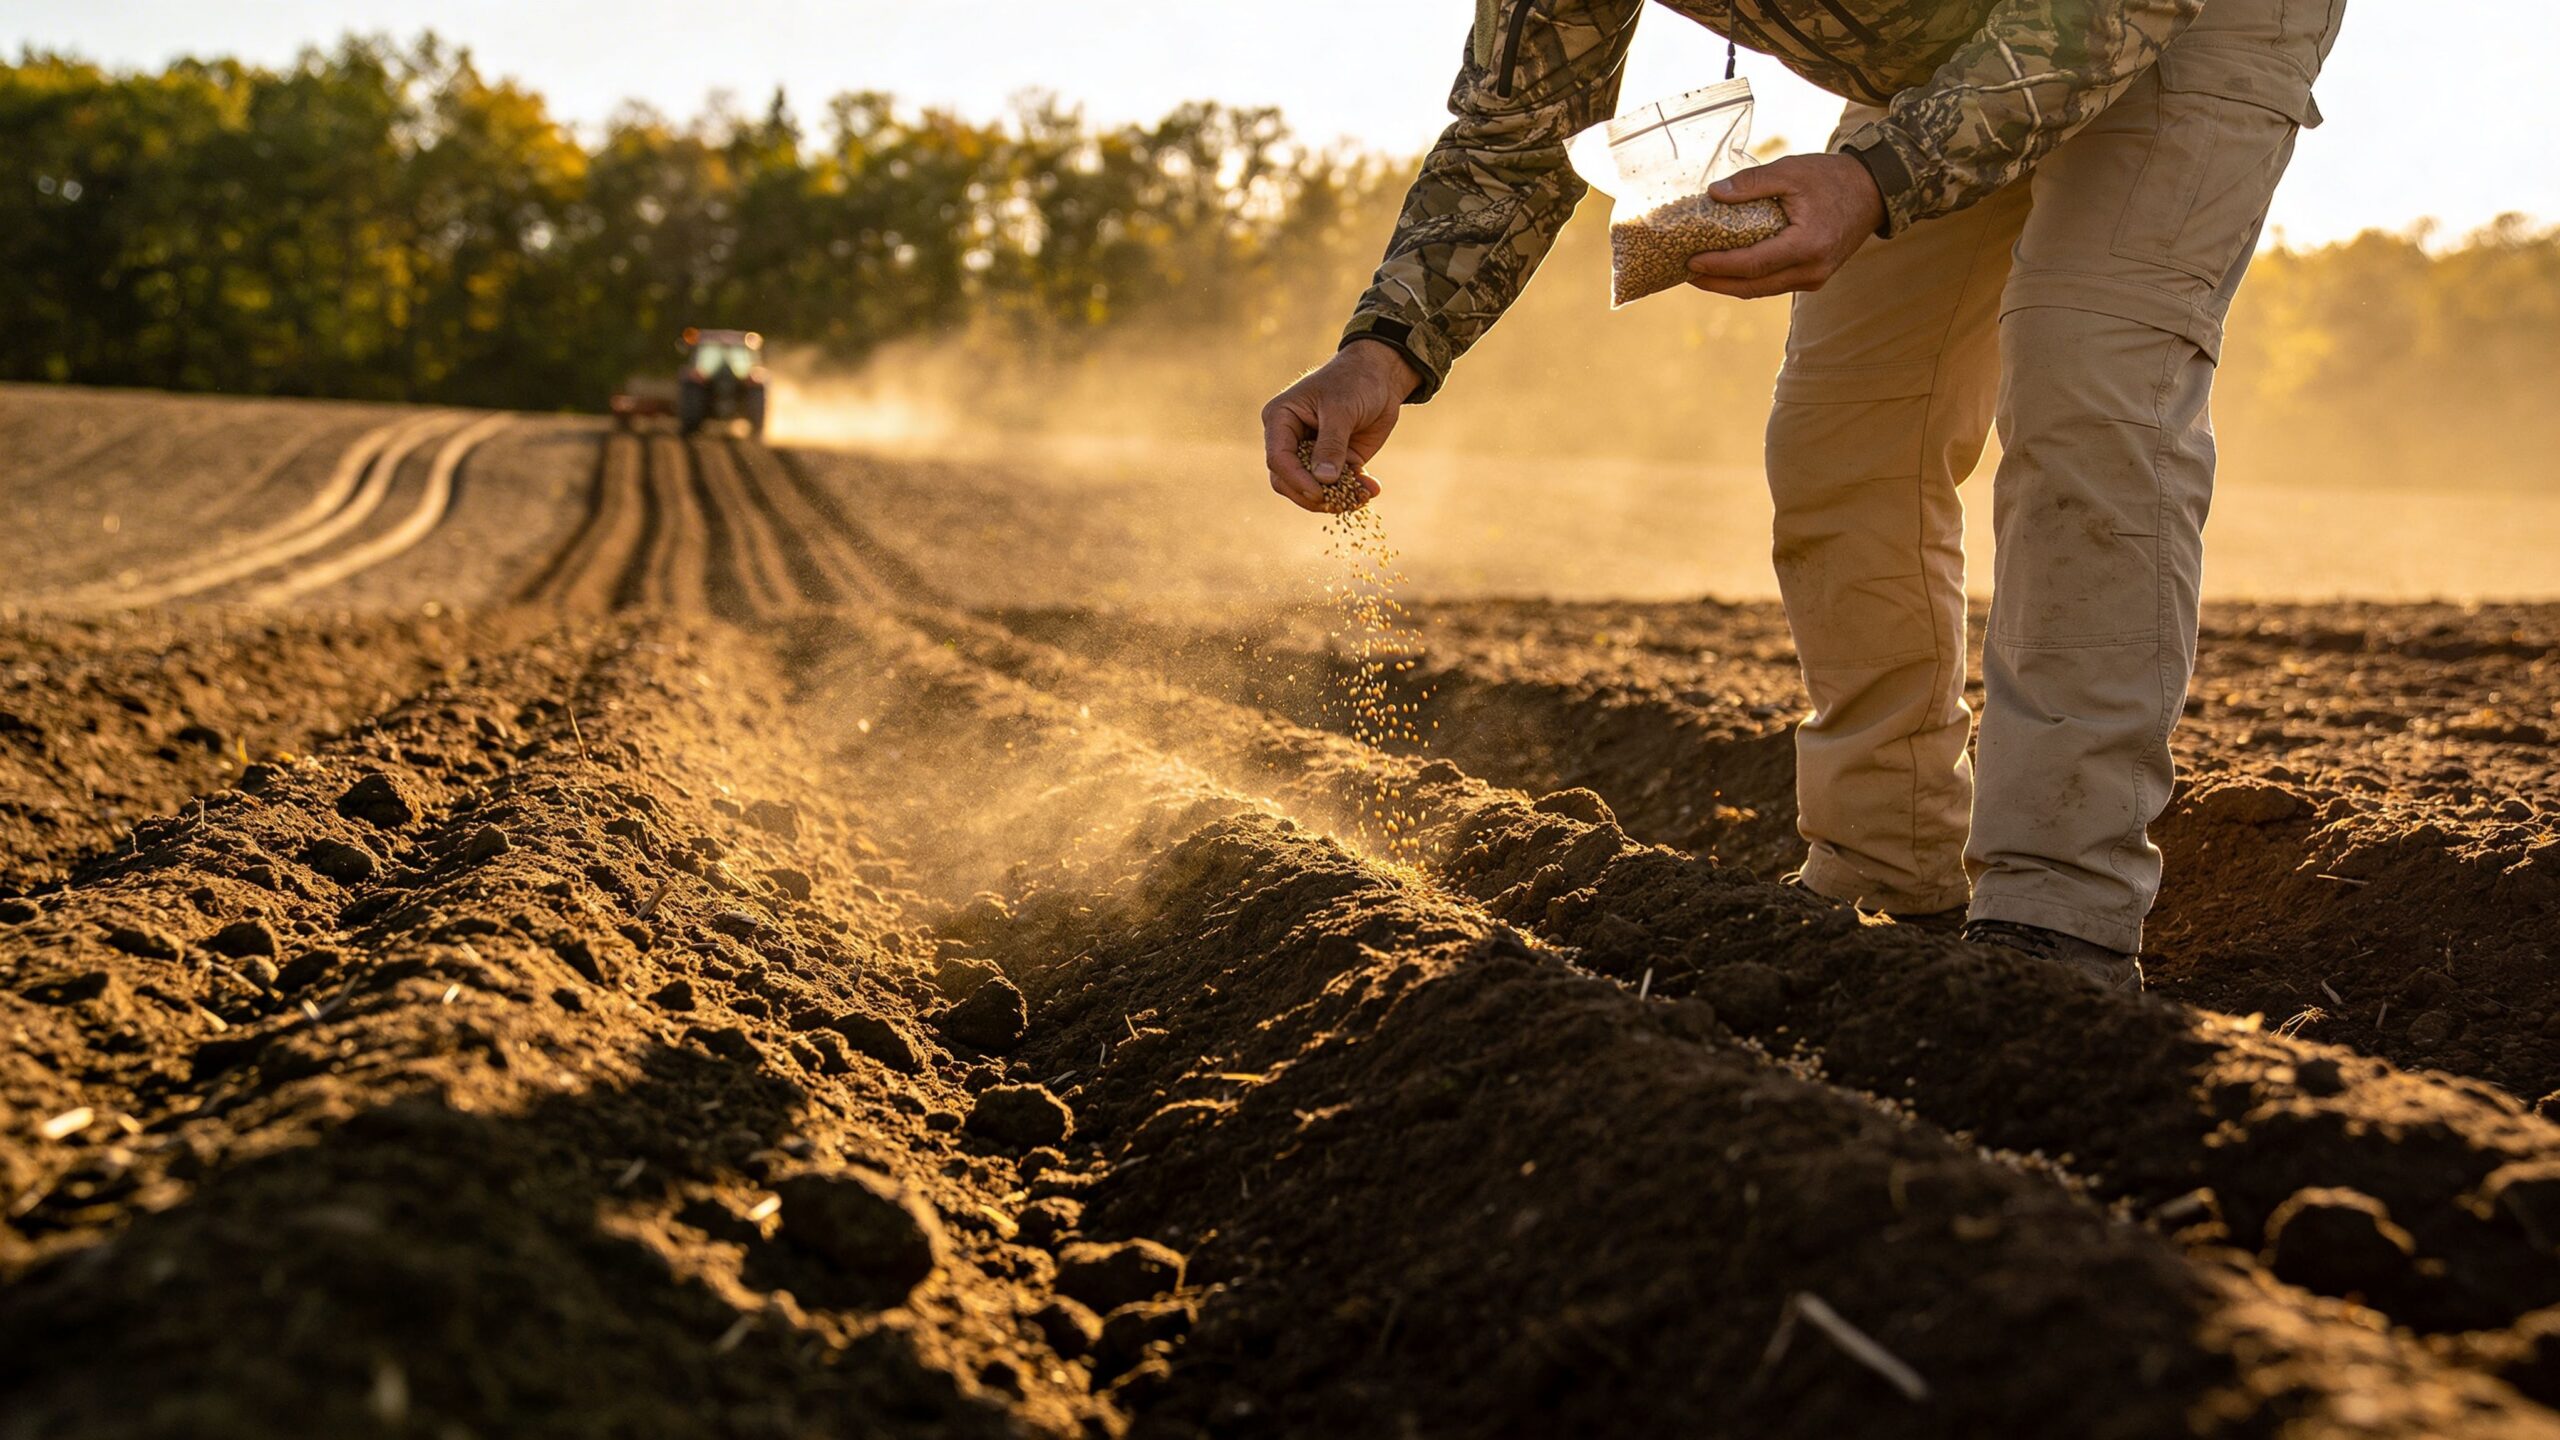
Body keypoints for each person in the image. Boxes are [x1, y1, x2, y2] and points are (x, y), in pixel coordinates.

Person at [1261, 0, 2346, 991]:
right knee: (1844, 426)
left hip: (2183, 23)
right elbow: (1516, 135)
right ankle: (1890, 869)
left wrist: (1877, 176)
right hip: (1947, 61)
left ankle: (2059, 916)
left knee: (2085, 393)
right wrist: (1381, 351)